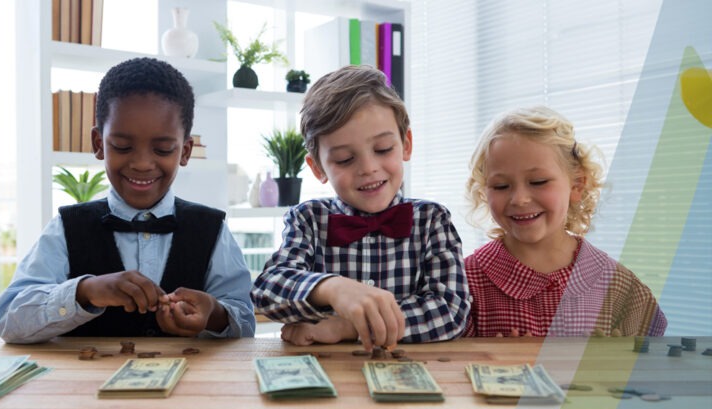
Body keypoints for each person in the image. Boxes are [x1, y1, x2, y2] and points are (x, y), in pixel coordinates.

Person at [0, 57, 255, 343]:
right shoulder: (66, 228)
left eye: (163, 149)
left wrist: (214, 314)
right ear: (98, 144)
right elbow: (8, 319)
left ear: (185, 151)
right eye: (122, 146)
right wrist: (85, 291)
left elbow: (244, 321)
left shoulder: (212, 229)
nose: (142, 164)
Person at [251, 65, 470, 350]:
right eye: (344, 159)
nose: (368, 168)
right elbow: (267, 291)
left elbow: (451, 311)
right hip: (327, 377)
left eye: (382, 149)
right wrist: (331, 288)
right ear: (318, 168)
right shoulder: (308, 220)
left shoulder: (432, 220)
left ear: (406, 144)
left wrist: (349, 327)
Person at [463, 105, 667, 337]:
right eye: (500, 186)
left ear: (577, 184)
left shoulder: (617, 285)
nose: (519, 199)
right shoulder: (463, 283)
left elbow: (650, 362)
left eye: (538, 181)